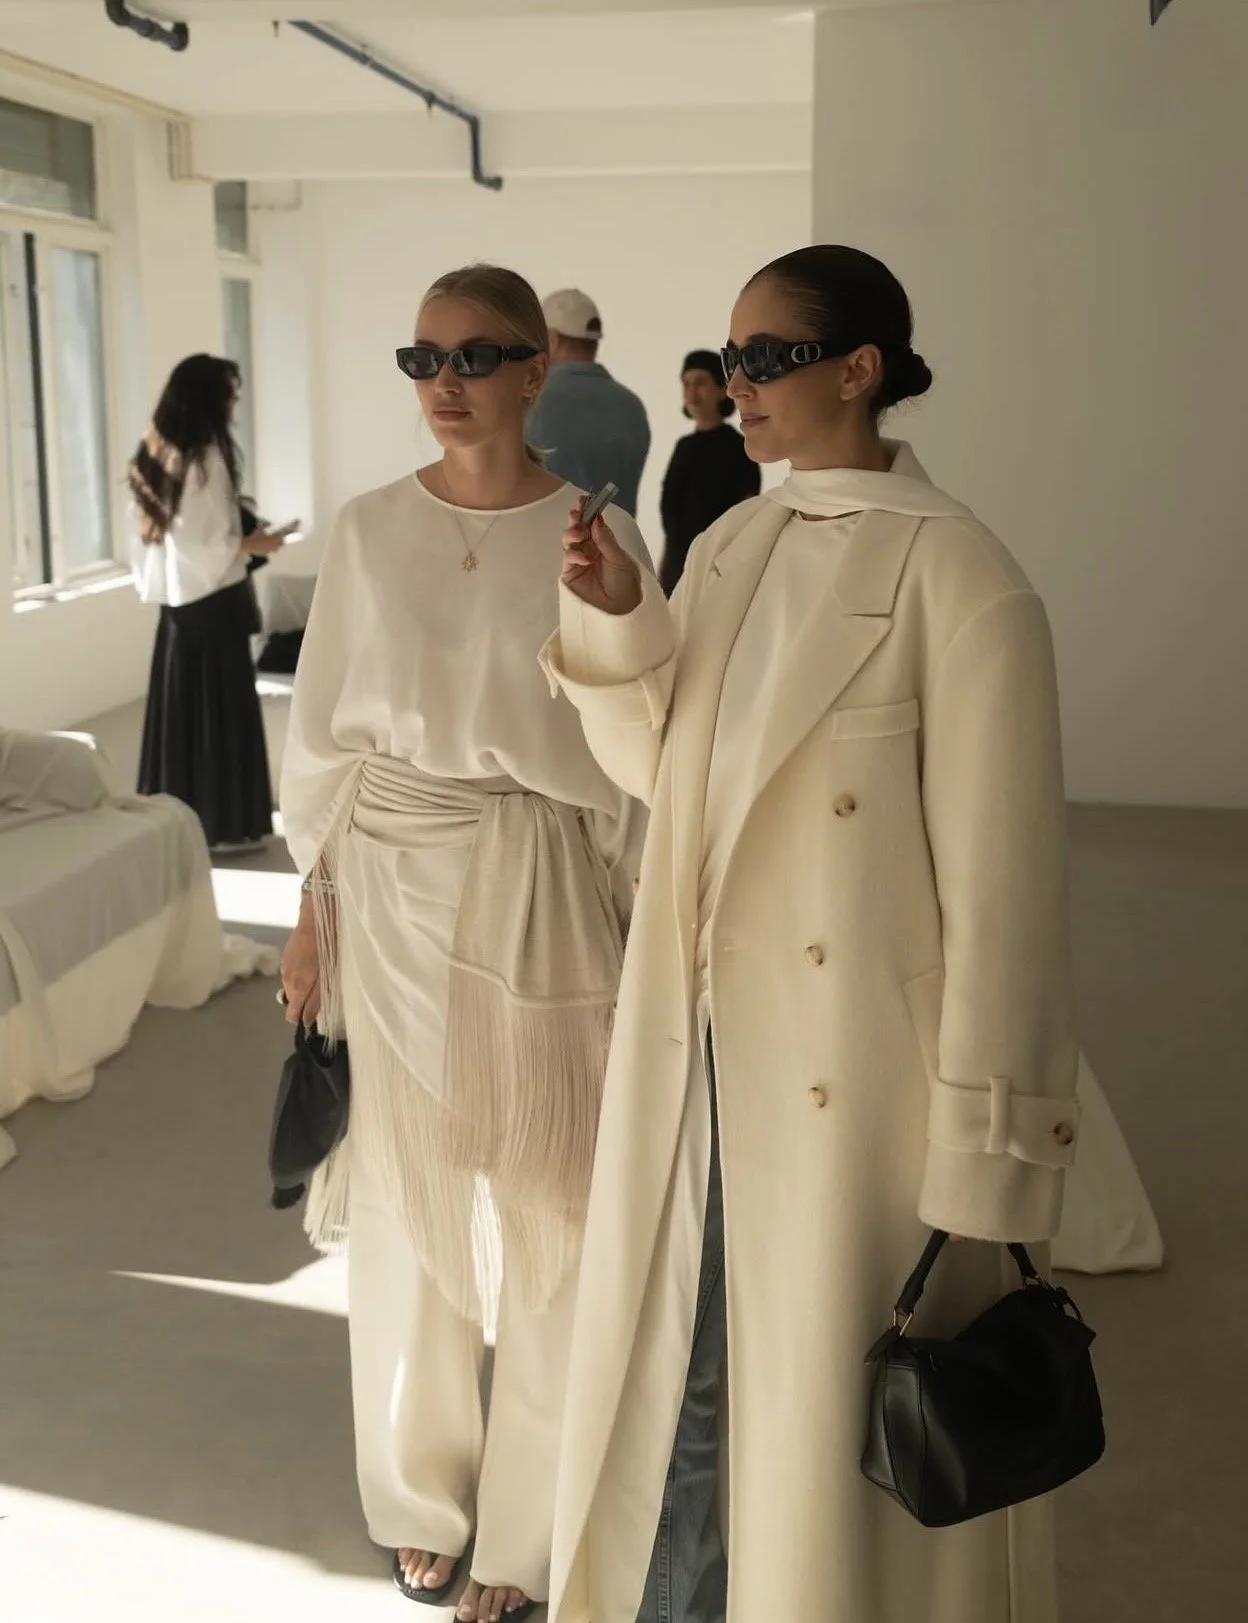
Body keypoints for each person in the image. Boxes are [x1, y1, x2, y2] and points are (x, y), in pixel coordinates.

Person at [541, 245, 1081, 1623]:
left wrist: (984, 1164)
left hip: (859, 1087)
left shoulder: (964, 577)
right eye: (731, 357)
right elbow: (671, 777)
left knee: (816, 1425)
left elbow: (1008, 902)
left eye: (769, 356)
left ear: (861, 369)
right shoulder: (734, 542)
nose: (739, 382)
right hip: (703, 1045)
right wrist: (619, 621)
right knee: (685, 1370)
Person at [278, 265, 650, 1623]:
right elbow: (321, 735)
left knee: (553, 1195)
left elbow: (640, 741)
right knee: (405, 1199)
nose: (445, 383)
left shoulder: (593, 531)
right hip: (387, 885)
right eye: (422, 358)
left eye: (476, 356)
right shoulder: (373, 529)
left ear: (537, 367)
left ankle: (530, 1523)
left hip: (545, 880)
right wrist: (312, 913)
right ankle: (418, 1496)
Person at [128, 354, 292, 852]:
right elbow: (204, 543)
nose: (234, 403)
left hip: (179, 607)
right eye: (229, 394)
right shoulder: (205, 459)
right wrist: (254, 543)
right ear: (209, 399)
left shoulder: (155, 455)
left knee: (182, 712)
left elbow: (174, 541)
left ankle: (182, 822)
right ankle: (222, 825)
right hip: (214, 603)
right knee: (220, 712)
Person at [526, 289, 651, 516]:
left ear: (552, 340)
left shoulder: (530, 401)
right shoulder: (632, 407)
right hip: (617, 538)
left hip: (547, 537)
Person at [658, 351, 761, 597]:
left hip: (716, 575)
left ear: (722, 389)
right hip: (675, 573)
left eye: (701, 383)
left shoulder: (739, 449)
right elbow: (673, 522)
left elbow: (746, 520)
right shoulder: (683, 447)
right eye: (686, 384)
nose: (692, 392)